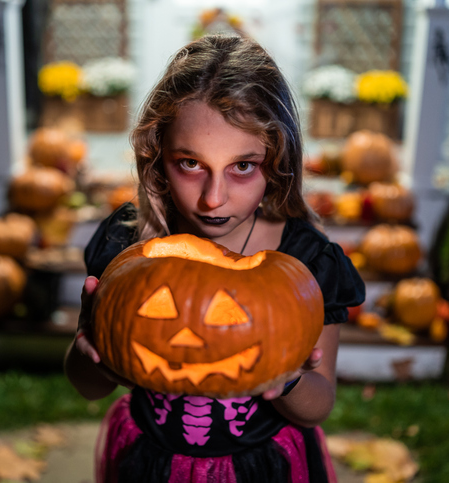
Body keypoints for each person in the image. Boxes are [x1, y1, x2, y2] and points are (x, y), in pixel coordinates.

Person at [64, 34, 365, 483]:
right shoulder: (128, 244)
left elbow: (318, 404)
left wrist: (285, 381)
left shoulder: (306, 261)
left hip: (261, 464)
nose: (214, 198)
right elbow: (88, 387)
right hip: (152, 461)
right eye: (190, 163)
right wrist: (94, 353)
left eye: (243, 166)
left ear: (278, 160)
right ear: (157, 157)